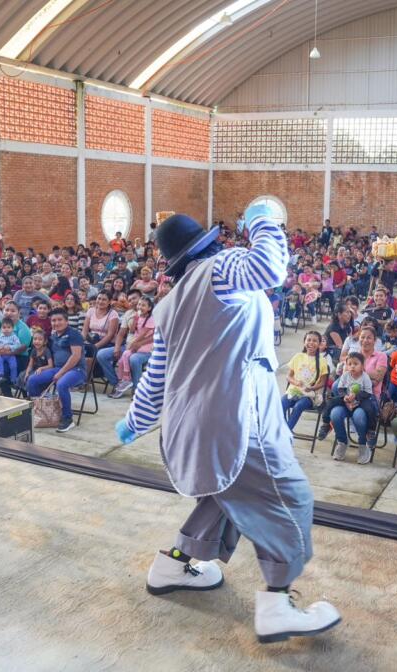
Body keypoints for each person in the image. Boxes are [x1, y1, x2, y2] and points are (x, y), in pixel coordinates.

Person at [116, 210, 340, 642]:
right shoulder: (220, 270)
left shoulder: (169, 304)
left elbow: (156, 379)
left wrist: (133, 422)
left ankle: (173, 565)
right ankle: (278, 603)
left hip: (196, 425)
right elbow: (271, 266)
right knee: (288, 498)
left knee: (228, 495)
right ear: (208, 246)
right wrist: (262, 217)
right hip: (239, 417)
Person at [25, 307, 87, 433]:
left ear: (66, 321)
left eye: (59, 320)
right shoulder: (53, 336)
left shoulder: (74, 334)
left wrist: (61, 373)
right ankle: (41, 411)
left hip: (77, 370)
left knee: (62, 384)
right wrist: (42, 367)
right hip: (57, 368)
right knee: (32, 380)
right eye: (53, 320)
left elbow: (75, 357)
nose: (56, 323)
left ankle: (67, 418)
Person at [325, 352, 375, 463]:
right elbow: (341, 389)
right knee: (335, 414)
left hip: (360, 403)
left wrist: (356, 396)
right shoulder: (345, 375)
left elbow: (368, 393)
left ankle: (364, 444)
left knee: (361, 416)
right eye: (350, 364)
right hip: (346, 402)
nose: (352, 366)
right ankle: (342, 442)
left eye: (356, 364)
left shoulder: (365, 377)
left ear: (362, 366)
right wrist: (345, 397)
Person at [281, 331, 328, 431]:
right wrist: (296, 382)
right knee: (281, 404)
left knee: (298, 406)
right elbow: (288, 376)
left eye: (315, 341)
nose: (311, 342)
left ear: (319, 344)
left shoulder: (322, 361)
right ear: (304, 342)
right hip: (293, 392)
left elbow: (322, 383)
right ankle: (283, 430)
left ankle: (286, 432)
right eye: (309, 340)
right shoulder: (298, 357)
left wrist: (311, 388)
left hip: (309, 396)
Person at [0, 316, 22, 384]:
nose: (6, 329)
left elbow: (18, 345)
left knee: (13, 365)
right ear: (0, 328)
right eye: (4, 327)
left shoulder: (14, 337)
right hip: (0, 354)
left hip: (10, 355)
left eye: (9, 327)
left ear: (12, 328)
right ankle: (1, 375)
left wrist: (10, 347)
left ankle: (13, 379)